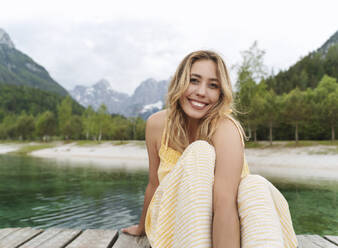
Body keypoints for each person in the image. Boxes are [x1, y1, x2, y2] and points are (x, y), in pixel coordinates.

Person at [122, 50, 297, 248]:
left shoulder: (225, 129)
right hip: (176, 230)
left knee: (255, 185)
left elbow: (224, 206)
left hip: (228, 231)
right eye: (194, 80)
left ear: (221, 93)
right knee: (200, 152)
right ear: (179, 82)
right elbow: (154, 185)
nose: (202, 92)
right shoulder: (156, 125)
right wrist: (142, 227)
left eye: (213, 85)